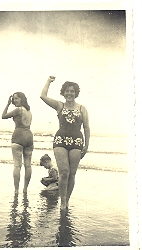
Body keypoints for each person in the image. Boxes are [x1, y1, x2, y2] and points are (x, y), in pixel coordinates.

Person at [40, 76, 90, 210]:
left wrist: (87, 145)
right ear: (63, 92)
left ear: (76, 93)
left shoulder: (82, 108)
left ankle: (67, 200)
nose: (69, 93)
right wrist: (49, 81)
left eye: (72, 91)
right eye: (67, 91)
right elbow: (43, 96)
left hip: (77, 142)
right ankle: (62, 203)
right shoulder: (59, 105)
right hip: (60, 140)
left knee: (72, 173)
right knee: (63, 173)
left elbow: (86, 127)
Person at [2, 92, 34, 194]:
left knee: (17, 166)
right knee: (28, 166)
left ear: (22, 99)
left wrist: (7, 104)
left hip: (19, 136)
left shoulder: (18, 110)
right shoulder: (29, 111)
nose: (14, 101)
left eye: (17, 98)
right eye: (13, 99)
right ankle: (25, 189)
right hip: (29, 136)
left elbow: (3, 116)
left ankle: (16, 190)